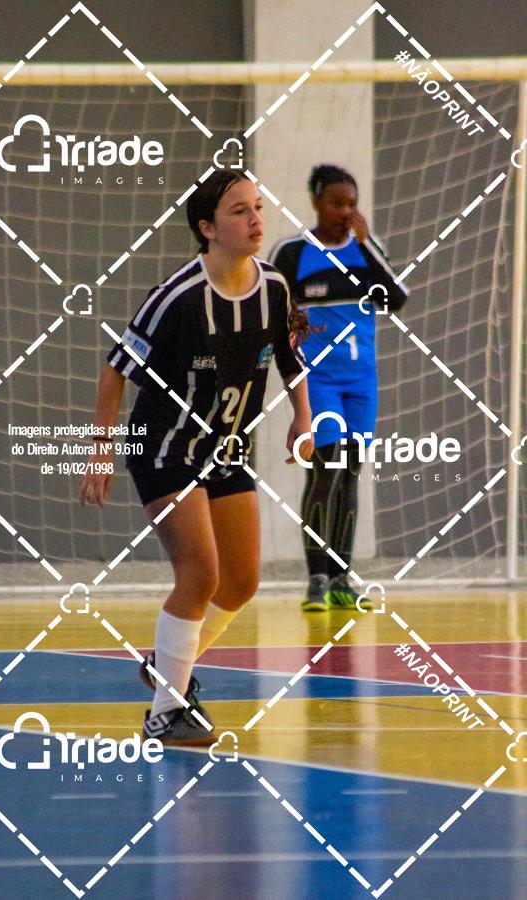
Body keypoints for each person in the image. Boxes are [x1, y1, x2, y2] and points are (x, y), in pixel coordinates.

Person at [80, 170, 312, 745]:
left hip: (226, 448)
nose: (255, 219)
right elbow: (114, 369)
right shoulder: (178, 298)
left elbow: (288, 356)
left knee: (241, 582)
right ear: (208, 228)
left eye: (258, 207)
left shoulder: (274, 286)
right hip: (164, 446)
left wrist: (302, 418)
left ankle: (167, 665)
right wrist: (99, 452)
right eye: (239, 211)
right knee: (201, 572)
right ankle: (165, 712)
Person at [270, 164, 408, 612]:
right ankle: (316, 579)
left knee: (350, 473)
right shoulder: (293, 253)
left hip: (361, 382)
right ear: (316, 202)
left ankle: (342, 579)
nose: (345, 212)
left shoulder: (368, 251)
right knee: (324, 471)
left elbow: (396, 299)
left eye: (351, 203)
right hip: (319, 381)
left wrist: (366, 245)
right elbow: (273, 312)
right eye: (336, 203)